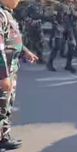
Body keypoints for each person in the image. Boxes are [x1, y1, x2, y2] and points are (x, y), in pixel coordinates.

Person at [0, 0, 38, 150]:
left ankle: (3, 136)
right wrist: (3, 75)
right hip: (4, 70)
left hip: (11, 68)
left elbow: (11, 40)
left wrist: (24, 51)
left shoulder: (7, 14)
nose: (18, 0)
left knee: (5, 105)